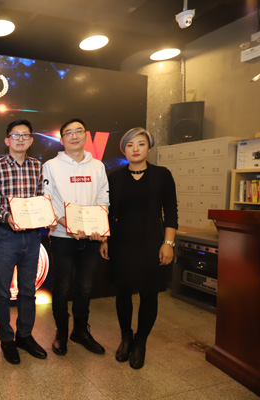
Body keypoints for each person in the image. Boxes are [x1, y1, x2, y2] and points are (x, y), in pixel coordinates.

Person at [100, 127, 178, 369]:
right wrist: (104, 239)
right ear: (123, 149)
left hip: (152, 243)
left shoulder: (162, 175)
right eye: (130, 144)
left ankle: (140, 341)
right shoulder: (114, 177)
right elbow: (107, 212)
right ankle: (126, 338)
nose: (135, 149)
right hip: (121, 242)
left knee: (149, 294)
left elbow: (171, 212)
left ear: (149, 148)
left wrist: (168, 243)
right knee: (122, 292)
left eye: (141, 144)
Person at [43, 118, 109, 357]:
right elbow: (47, 199)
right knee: (61, 288)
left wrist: (100, 228)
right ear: (62, 140)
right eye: (68, 133)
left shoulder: (97, 166)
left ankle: (80, 331)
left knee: (85, 287)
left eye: (78, 131)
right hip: (63, 236)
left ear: (85, 136)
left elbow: (103, 199)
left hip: (91, 238)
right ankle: (61, 332)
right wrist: (66, 223)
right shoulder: (51, 166)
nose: (74, 136)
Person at [0, 119, 47, 365]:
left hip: (32, 236)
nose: (20, 139)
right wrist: (7, 217)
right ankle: (6, 339)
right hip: (6, 235)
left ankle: (25, 335)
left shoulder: (38, 166)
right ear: (7, 140)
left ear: (31, 141)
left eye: (25, 135)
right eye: (15, 135)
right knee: (2, 292)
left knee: (28, 290)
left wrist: (45, 214)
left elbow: (42, 197)